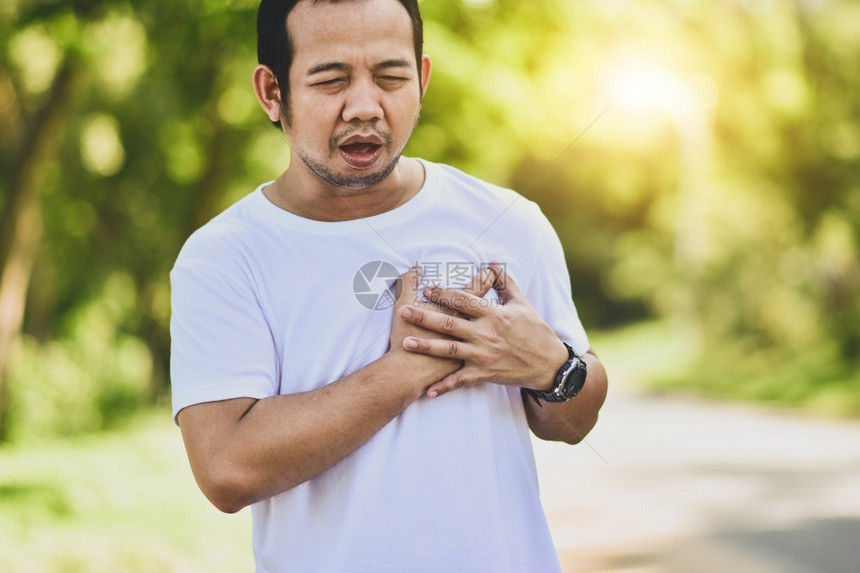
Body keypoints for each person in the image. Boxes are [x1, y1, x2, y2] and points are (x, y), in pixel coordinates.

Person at [170, 0, 608, 571]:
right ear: (272, 93)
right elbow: (228, 470)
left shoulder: (509, 220)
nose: (365, 106)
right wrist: (414, 364)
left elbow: (575, 422)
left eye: (391, 77)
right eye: (331, 81)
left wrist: (555, 368)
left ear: (422, 79)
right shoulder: (224, 257)